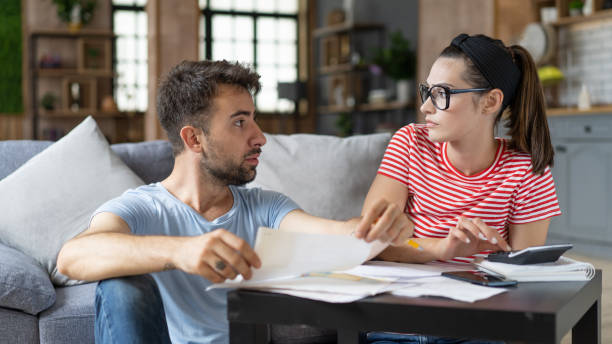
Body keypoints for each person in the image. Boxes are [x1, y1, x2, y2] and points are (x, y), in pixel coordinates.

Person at [56, 60, 412, 344]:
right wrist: (182, 251)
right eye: (240, 123)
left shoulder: (265, 207)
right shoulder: (143, 208)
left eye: (254, 120)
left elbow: (334, 233)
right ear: (194, 139)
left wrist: (374, 229)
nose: (260, 138)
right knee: (120, 287)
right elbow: (72, 258)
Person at [362, 33, 562, 343]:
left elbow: (524, 278)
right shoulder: (410, 144)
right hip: (398, 323)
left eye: (442, 93)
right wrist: (441, 248)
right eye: (427, 91)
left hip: (480, 326)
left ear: (491, 101)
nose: (427, 106)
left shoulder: (526, 169)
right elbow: (370, 241)